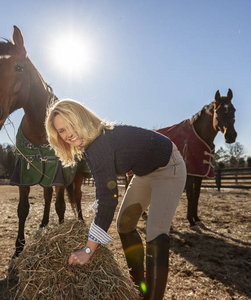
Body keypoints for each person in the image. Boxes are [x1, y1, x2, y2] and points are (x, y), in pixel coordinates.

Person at [45, 99, 186, 300]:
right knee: (125, 225)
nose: (68, 133)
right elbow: (105, 189)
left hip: (169, 166)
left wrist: (88, 250)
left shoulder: (98, 144)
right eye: (61, 131)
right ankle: (139, 288)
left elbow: (108, 199)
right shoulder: (89, 145)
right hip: (144, 173)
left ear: (82, 118)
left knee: (155, 233)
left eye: (71, 124)